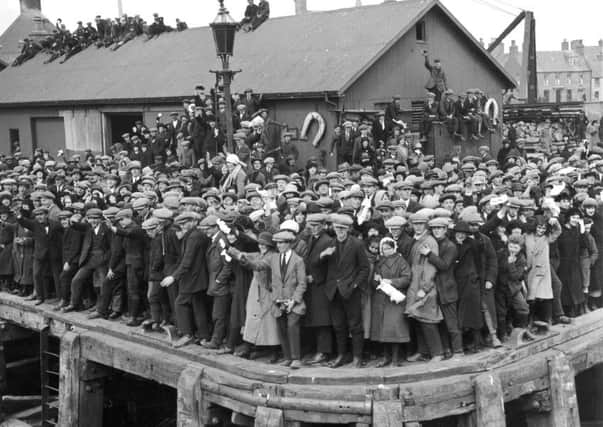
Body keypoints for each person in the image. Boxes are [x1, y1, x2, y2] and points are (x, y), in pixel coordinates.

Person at [322, 214, 369, 368]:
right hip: (333, 292)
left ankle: (357, 357)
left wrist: (355, 285)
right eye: (337, 228)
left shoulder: (357, 244)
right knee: (338, 325)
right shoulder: (330, 244)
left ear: (348, 229)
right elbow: (317, 264)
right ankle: (342, 355)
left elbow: (364, 268)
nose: (339, 231)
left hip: (350, 291)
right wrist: (323, 255)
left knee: (355, 325)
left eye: (343, 228)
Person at [161, 211, 210, 348]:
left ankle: (187, 334)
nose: (183, 226)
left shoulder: (194, 237)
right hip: (198, 278)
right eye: (181, 224)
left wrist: (173, 277)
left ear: (194, 221)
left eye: (185, 223)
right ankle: (203, 335)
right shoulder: (194, 235)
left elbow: (187, 261)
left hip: (193, 278)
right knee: (198, 307)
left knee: (180, 303)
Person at [370, 237, 411, 366]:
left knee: (394, 329)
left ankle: (395, 358)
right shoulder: (379, 262)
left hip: (395, 298)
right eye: (383, 249)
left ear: (394, 248)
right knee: (382, 330)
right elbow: (373, 280)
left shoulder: (401, 261)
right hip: (381, 298)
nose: (386, 251)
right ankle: (386, 357)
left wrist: (392, 282)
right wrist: (376, 280)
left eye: (388, 248)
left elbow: (407, 278)